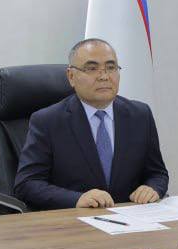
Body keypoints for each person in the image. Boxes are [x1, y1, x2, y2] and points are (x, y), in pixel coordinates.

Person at [14, 38, 169, 210]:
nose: (104, 76)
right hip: (73, 220)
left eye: (111, 67)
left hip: (131, 217)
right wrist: (76, 199)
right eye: (92, 68)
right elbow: (26, 184)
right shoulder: (47, 121)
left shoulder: (140, 115)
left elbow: (157, 173)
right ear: (71, 76)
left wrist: (152, 188)